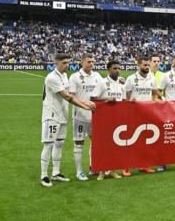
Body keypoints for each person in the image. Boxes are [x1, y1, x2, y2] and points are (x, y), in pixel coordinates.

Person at [40, 53, 96, 187]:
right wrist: (86, 105)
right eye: (64, 63)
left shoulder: (64, 76)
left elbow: (70, 96)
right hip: (51, 116)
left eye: (68, 62)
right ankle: (43, 175)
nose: (67, 65)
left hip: (63, 115)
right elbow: (68, 97)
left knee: (59, 144)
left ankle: (56, 172)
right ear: (56, 63)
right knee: (48, 144)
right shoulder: (51, 78)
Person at [123, 55, 161, 177]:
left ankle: (144, 165)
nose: (146, 67)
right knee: (130, 141)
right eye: (144, 65)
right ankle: (126, 167)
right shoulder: (131, 79)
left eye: (147, 65)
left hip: (148, 113)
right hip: (133, 114)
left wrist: (155, 100)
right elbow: (126, 97)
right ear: (138, 65)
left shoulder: (152, 78)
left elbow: (155, 94)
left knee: (146, 140)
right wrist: (131, 102)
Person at [68, 53, 102, 181]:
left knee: (96, 142)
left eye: (93, 62)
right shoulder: (75, 77)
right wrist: (84, 104)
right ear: (82, 62)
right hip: (80, 116)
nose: (92, 64)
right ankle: (79, 172)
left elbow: (103, 89)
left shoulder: (97, 76)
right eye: (89, 62)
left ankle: (93, 167)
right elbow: (71, 97)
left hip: (95, 116)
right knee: (79, 143)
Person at [90, 60, 125, 180]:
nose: (117, 70)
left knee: (115, 145)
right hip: (104, 119)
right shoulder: (102, 82)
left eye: (119, 68)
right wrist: (106, 99)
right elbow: (93, 98)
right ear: (108, 70)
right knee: (103, 145)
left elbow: (124, 100)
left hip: (118, 119)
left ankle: (112, 170)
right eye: (115, 68)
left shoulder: (122, 83)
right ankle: (101, 171)